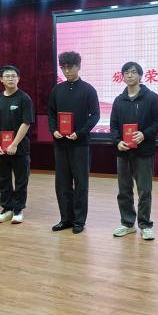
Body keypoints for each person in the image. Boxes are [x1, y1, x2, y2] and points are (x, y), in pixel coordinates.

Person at [110, 62, 158, 240]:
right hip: (123, 152)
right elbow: (113, 126)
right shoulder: (119, 100)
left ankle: (145, 225)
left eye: (133, 72)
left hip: (144, 151)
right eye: (126, 73)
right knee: (124, 190)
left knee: (144, 190)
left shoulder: (151, 98)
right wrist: (117, 141)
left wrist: (144, 134)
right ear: (123, 77)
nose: (130, 75)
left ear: (140, 76)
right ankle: (127, 223)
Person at [48, 51, 100, 234]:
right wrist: (54, 130)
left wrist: (80, 133)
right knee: (62, 183)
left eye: (70, 67)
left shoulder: (88, 89)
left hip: (80, 144)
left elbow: (95, 115)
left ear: (78, 67)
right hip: (60, 144)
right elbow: (51, 113)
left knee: (80, 183)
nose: (67, 71)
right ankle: (65, 219)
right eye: (63, 68)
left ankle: (79, 220)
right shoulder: (57, 90)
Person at [0, 65, 34, 224]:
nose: (10, 78)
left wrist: (14, 144)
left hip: (19, 148)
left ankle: (18, 210)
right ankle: (7, 209)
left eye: (13, 76)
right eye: (7, 76)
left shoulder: (24, 98)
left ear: (18, 79)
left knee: (21, 180)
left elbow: (26, 123)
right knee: (2, 180)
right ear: (1, 79)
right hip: (1, 149)